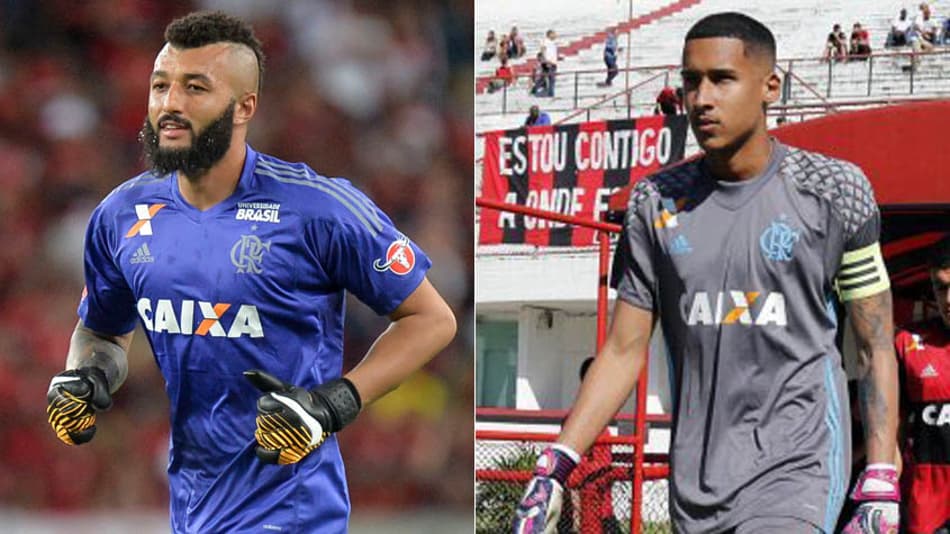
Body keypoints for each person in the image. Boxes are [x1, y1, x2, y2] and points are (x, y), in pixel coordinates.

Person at [44, 11, 456, 533]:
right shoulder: (121, 215)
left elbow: (431, 318)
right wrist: (85, 376)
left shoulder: (317, 208)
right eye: (160, 86)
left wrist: (332, 405)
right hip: (193, 509)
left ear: (245, 107)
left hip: (293, 511)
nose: (169, 104)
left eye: (195, 88)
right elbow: (102, 329)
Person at [513, 12, 901, 534]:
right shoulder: (654, 203)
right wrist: (556, 464)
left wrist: (879, 474)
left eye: (721, 79)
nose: (701, 99)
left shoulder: (836, 192)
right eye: (690, 81)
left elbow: (875, 341)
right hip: (697, 483)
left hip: (798, 469)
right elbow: (623, 350)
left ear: (770, 87)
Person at [893, 236, 950, 534]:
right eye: (942, 287)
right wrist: (884, 497)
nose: (949, 299)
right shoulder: (907, 344)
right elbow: (892, 433)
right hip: (925, 509)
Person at [540, 29, 560, 97]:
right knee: (551, 79)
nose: (555, 35)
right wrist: (546, 61)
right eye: (554, 33)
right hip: (549, 63)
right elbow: (542, 50)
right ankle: (550, 94)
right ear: (549, 34)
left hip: (553, 63)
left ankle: (550, 93)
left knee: (550, 79)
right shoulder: (545, 41)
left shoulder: (553, 42)